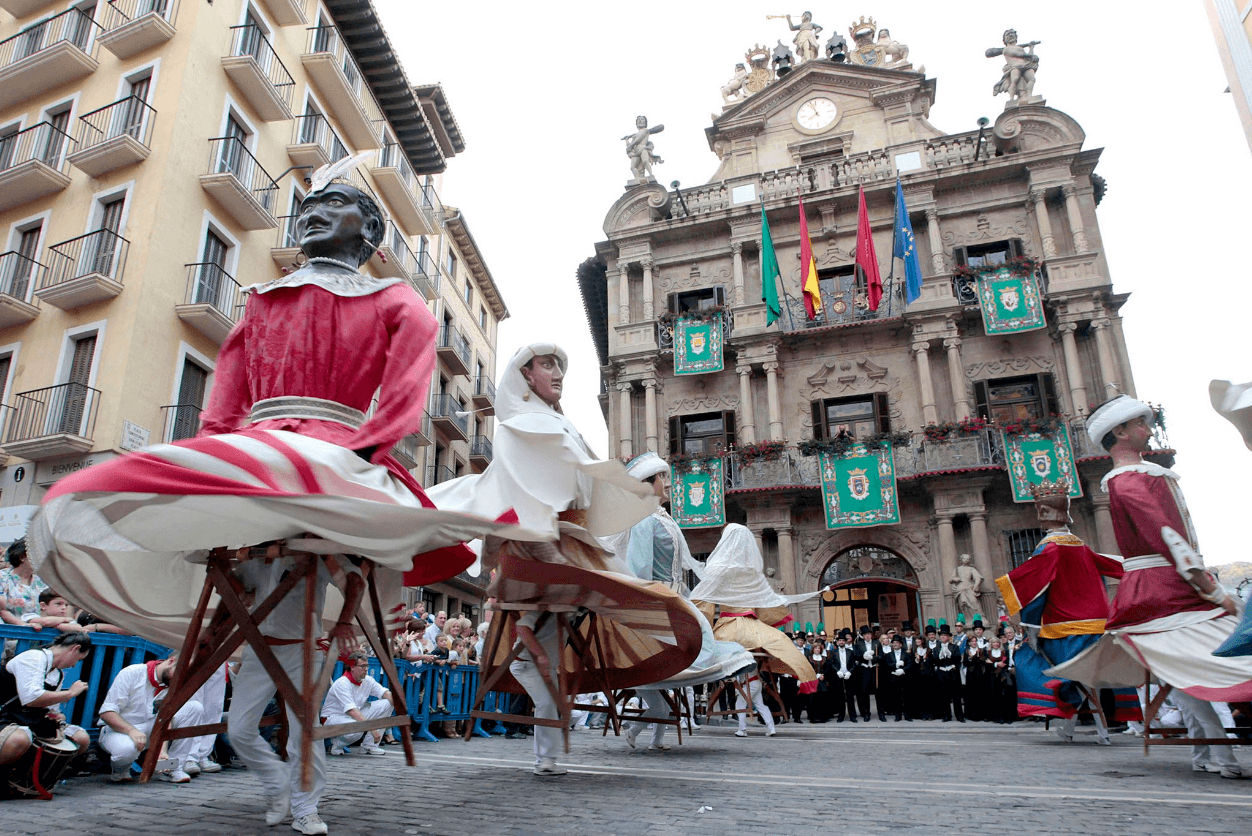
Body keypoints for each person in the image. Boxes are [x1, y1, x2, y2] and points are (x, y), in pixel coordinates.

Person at [428, 344, 704, 776]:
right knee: (545, 665)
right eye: (547, 364)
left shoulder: (560, 423)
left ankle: (547, 753)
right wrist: (544, 548)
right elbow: (521, 493)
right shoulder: (520, 426)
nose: (557, 373)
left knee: (551, 668)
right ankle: (546, 746)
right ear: (526, 374)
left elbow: (586, 482)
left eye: (560, 364)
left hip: (567, 543)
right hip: (537, 542)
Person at [1048, 396, 1252, 777]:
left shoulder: (1138, 476)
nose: (1149, 428)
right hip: (1165, 589)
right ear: (1120, 432)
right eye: (1141, 422)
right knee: (1203, 668)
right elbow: (1167, 536)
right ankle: (1218, 755)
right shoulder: (1129, 482)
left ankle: (1209, 754)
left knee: (1183, 674)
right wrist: (1209, 587)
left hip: (1159, 585)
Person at [607, 452, 753, 751]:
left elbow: (678, 569)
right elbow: (639, 569)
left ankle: (650, 734)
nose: (667, 482)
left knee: (686, 653)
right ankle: (647, 718)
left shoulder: (665, 518)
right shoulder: (644, 520)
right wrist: (653, 606)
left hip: (675, 598)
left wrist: (688, 597)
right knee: (682, 653)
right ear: (649, 484)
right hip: (659, 601)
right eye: (661, 477)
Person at [995, 479, 1135, 742]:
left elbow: (1036, 591)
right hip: (1097, 626)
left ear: (1043, 512)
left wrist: (1031, 626)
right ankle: (1080, 729)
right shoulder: (1080, 545)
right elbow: (1111, 565)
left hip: (1065, 629)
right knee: (1086, 682)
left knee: (1029, 660)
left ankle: (1048, 708)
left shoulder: (1049, 549)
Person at [98, 653, 206, 783]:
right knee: (126, 750)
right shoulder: (132, 672)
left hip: (151, 729)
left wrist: (162, 750)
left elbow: (166, 717)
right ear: (172, 661)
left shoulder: (172, 682)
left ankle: (171, 768)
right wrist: (131, 730)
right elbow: (107, 712)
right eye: (181, 675)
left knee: (194, 708)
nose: (181, 681)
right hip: (118, 730)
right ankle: (121, 771)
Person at [1, 631, 92, 776]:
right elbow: (31, 699)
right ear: (75, 649)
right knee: (19, 739)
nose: (74, 665)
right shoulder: (34, 658)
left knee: (81, 738)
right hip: (5, 716)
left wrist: (57, 715)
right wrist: (70, 693)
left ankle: (29, 778)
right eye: (78, 659)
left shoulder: (58, 674)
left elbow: (51, 707)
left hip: (30, 719)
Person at [323, 652, 394, 756]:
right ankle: (337, 745)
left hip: (353, 715)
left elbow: (385, 693)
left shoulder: (367, 680)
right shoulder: (342, 683)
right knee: (358, 728)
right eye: (362, 666)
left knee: (388, 703)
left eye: (367, 666)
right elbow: (351, 710)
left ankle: (370, 746)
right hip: (333, 718)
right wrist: (373, 729)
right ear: (352, 667)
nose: (366, 669)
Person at [0, 538, 47, 627]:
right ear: (22, 557)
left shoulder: (41, 582)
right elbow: (1, 610)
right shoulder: (3, 577)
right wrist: (24, 626)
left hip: (39, 633)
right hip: (9, 635)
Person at [986, 29, 1041, 101]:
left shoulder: (1020, 48)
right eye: (1008, 34)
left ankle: (1029, 96)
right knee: (1015, 80)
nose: (1011, 35)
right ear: (1004, 40)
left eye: (1012, 34)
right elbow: (1018, 54)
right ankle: (1011, 99)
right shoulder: (1006, 49)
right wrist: (1030, 56)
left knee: (1032, 79)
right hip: (1014, 66)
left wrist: (1031, 47)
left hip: (1025, 65)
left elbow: (1029, 56)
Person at [823, 632, 858, 722]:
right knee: (840, 697)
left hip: (848, 676)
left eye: (843, 640)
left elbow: (854, 664)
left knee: (850, 696)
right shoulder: (833, 652)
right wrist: (837, 671)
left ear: (845, 642)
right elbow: (831, 663)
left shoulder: (850, 652)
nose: (841, 642)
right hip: (838, 676)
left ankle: (852, 715)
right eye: (840, 641)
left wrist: (850, 672)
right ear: (837, 642)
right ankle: (841, 715)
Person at [733, 666, 776, 738]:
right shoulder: (753, 660)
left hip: (749, 683)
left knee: (740, 705)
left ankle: (742, 730)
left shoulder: (744, 659)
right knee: (761, 706)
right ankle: (771, 729)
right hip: (755, 682)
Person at [934, 625, 964, 722]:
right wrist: (940, 657)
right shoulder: (936, 648)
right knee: (944, 695)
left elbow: (958, 658)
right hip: (942, 673)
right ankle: (947, 715)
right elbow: (934, 660)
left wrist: (950, 656)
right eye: (941, 635)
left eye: (945, 635)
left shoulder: (954, 647)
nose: (942, 637)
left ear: (948, 637)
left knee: (956, 695)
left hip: (952, 672)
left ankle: (959, 715)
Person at [622, 116, 664, 183]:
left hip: (642, 148)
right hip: (636, 152)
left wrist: (631, 145)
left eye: (642, 119)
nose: (640, 121)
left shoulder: (645, 130)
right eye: (638, 120)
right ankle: (638, 179)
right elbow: (630, 146)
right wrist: (627, 140)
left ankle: (651, 175)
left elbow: (639, 139)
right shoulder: (634, 135)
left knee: (645, 161)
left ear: (645, 123)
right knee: (633, 167)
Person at [851, 625, 876, 721]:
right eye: (865, 634)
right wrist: (863, 656)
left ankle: (881, 713)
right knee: (864, 692)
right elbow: (856, 656)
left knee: (877, 692)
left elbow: (881, 656)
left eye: (869, 634)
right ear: (863, 636)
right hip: (864, 670)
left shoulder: (877, 643)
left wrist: (873, 658)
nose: (868, 636)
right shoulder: (858, 644)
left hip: (874, 669)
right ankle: (866, 713)